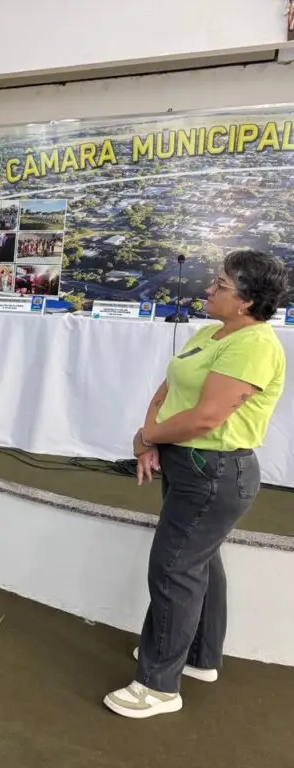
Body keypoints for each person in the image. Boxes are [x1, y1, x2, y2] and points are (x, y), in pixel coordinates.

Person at [105, 249, 288, 720]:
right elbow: (167, 393)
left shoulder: (255, 344)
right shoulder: (211, 333)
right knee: (198, 562)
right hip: (189, 466)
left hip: (215, 472)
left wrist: (147, 437)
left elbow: (207, 417)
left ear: (247, 301)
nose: (210, 287)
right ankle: (200, 656)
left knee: (174, 569)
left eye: (222, 284)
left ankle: (159, 685)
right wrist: (150, 441)